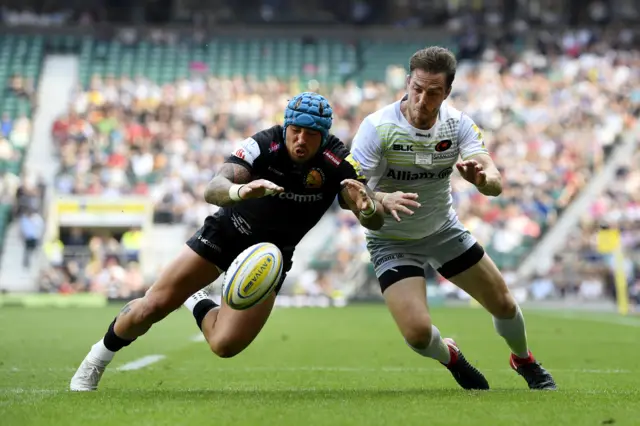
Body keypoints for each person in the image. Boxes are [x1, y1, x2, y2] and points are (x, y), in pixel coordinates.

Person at [70, 92, 418, 391]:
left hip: (272, 257)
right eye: (295, 130)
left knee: (224, 345)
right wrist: (240, 190)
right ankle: (95, 359)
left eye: (310, 134)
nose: (300, 140)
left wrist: (368, 206)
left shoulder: (337, 162)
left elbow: (368, 214)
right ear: (285, 126)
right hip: (227, 232)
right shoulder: (264, 144)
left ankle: (196, 301)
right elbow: (213, 187)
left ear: (324, 136)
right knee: (151, 306)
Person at [350, 46, 557, 390]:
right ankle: (452, 357)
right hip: (392, 241)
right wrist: (379, 200)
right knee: (417, 335)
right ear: (407, 83)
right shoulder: (377, 127)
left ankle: (524, 359)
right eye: (416, 89)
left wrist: (481, 180)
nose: (421, 100)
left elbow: (495, 180)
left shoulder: (458, 124)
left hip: (444, 232)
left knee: (504, 304)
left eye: (433, 93)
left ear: (446, 93)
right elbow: (353, 192)